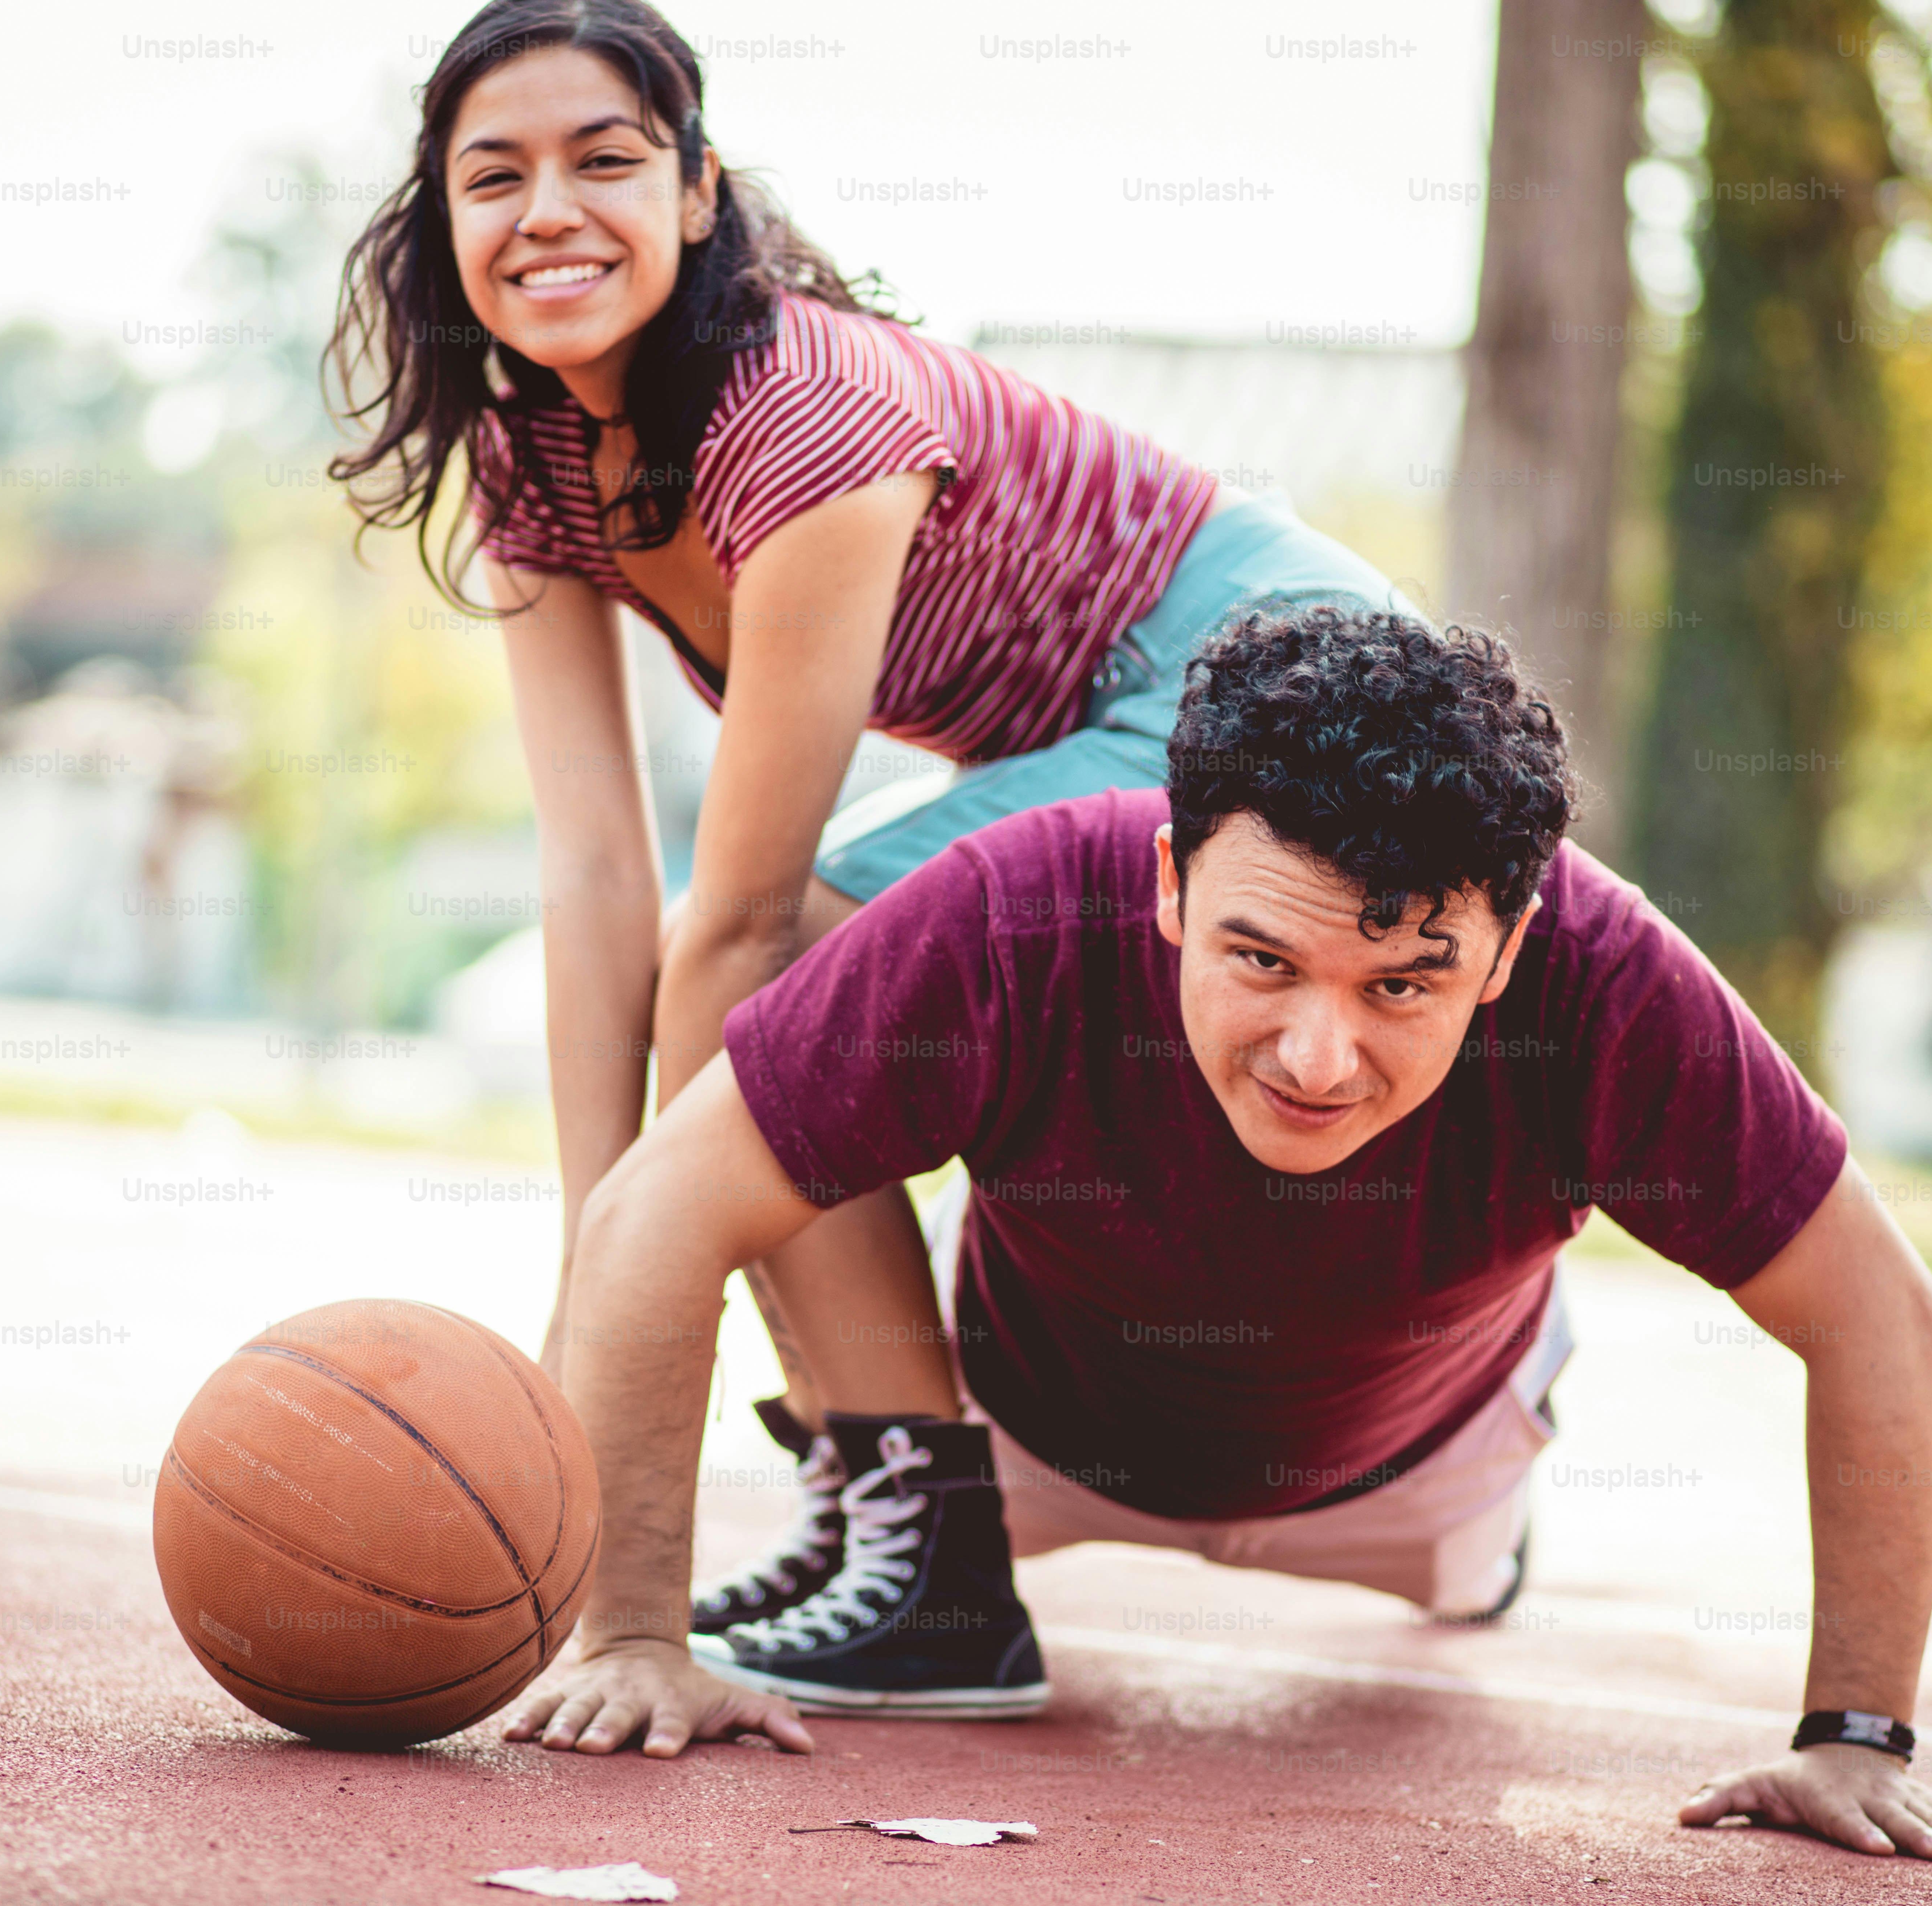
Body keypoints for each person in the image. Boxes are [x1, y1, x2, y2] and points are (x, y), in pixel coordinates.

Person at [501, 602, 1932, 1866]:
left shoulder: (1607, 984)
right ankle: (901, 1523)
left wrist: (1856, 1733)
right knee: (775, 1129)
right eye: (1259, 958)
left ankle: (1502, 1456)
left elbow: (1885, 1323)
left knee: (1479, 1490)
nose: (1316, 1053)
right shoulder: (1017, 911)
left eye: (1401, 987)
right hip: (1026, 1439)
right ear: (1167, 879)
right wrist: (630, 1633)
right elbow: (652, 1216)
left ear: (1512, 948)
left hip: (1426, 1472)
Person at [328, 0, 1413, 1633]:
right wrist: (596, 1255)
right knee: (759, 1025)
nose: (547, 211)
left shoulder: (804, 419)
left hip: (1286, 676)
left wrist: (633, 1290)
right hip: (1093, 727)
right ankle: (878, 1498)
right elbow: (601, 873)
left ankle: (934, 1542)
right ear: (445, 224)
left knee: (784, 987)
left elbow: (741, 928)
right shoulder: (529, 449)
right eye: (495, 177)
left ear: (699, 195)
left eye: (603, 161)